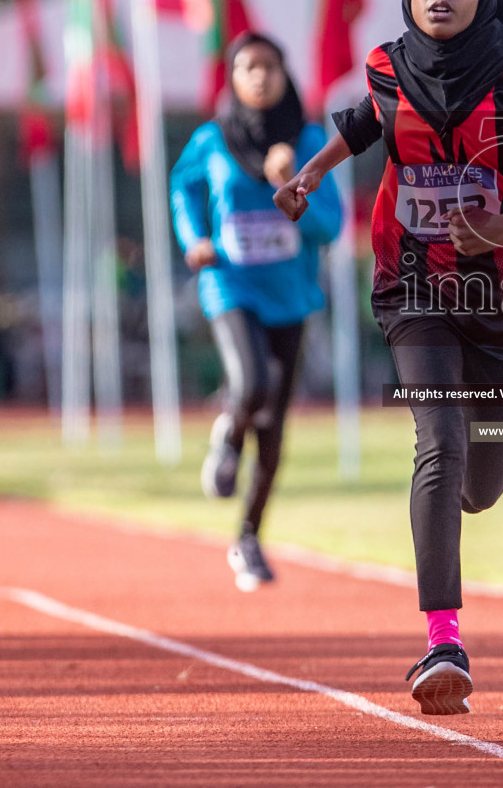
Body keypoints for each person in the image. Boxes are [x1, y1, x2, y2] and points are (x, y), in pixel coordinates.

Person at [273, 0, 503, 716]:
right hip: (412, 289)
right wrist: (313, 175)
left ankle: (455, 501)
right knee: (441, 442)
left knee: (479, 486)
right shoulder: (390, 68)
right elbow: (364, 123)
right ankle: (442, 639)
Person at [170, 32, 343, 590]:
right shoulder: (211, 139)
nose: (260, 76)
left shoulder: (310, 140)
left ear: (285, 75)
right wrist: (194, 236)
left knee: (274, 427)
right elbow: (182, 189)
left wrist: (289, 184)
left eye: (270, 66)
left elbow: (330, 227)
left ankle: (248, 537)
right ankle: (227, 431)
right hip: (229, 284)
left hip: (290, 294)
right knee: (251, 383)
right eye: (248, 67)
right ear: (233, 78)